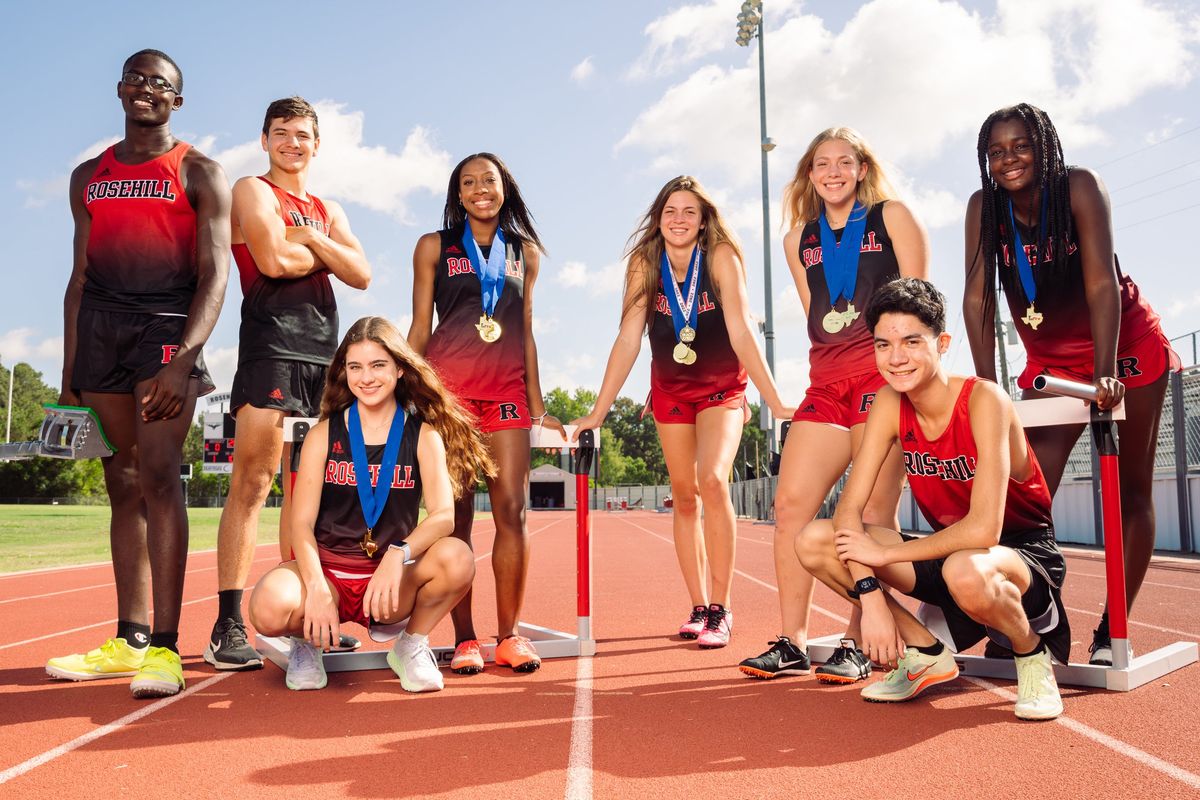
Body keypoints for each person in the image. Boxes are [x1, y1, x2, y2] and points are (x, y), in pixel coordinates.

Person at [964, 103, 1179, 665]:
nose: (1008, 159)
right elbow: (977, 298)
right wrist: (987, 389)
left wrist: (1106, 370)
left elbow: (1102, 284)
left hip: (1123, 345)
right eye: (996, 151)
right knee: (1024, 497)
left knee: (1130, 488)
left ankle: (1114, 629)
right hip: (1051, 360)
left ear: (1044, 146)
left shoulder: (1079, 186)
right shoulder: (985, 207)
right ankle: (1026, 618)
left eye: (1020, 146)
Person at [797, 278, 1068, 721]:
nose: (896, 357)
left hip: (1019, 555)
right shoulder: (889, 401)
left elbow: (984, 530)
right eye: (883, 345)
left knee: (965, 568)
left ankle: (1031, 653)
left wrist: (884, 552)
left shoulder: (984, 400)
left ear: (942, 343)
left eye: (911, 342)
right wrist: (870, 598)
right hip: (948, 550)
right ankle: (925, 652)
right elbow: (849, 507)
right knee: (814, 539)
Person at [45, 49, 230, 698]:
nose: (146, 89)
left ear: (177, 101)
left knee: (157, 477)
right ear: (119, 88)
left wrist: (184, 359)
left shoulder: (201, 171)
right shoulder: (85, 177)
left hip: (164, 328)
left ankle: (166, 649)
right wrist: (69, 374)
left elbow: (216, 274)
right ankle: (128, 638)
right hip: (99, 332)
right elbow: (78, 278)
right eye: (137, 78)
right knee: (119, 482)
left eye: (162, 83)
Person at [738, 127, 929, 682]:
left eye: (845, 162)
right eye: (823, 164)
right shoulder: (798, 237)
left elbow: (920, 302)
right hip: (825, 384)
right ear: (810, 174)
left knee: (871, 515)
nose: (834, 172)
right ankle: (793, 641)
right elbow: (815, 312)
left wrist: (907, 380)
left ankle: (855, 641)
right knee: (790, 509)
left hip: (882, 379)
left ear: (862, 169)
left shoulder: (892, 216)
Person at [571, 175, 793, 649]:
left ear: (704, 218)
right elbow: (629, 338)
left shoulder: (720, 258)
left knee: (713, 479)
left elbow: (741, 330)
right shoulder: (644, 265)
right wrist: (597, 411)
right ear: (658, 218)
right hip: (671, 391)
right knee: (684, 494)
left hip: (721, 389)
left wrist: (773, 402)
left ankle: (721, 607)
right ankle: (697, 606)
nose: (679, 219)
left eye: (689, 211)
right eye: (670, 211)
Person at [205, 97, 370, 671]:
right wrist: (326, 250)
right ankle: (227, 622)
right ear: (265, 139)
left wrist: (315, 240)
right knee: (253, 480)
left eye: (302, 134)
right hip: (272, 347)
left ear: (317, 144)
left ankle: (305, 619)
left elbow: (363, 273)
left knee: (310, 492)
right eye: (281, 133)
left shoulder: (327, 206)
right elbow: (272, 260)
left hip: (327, 357)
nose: (292, 143)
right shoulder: (252, 190)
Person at [247, 316, 493, 692]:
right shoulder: (324, 434)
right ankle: (306, 643)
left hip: (387, 583)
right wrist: (315, 587)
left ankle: (410, 645)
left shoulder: (423, 436)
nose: (367, 377)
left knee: (458, 558)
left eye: (378, 365)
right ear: (343, 372)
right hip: (328, 572)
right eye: (355, 366)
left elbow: (443, 516)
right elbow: (301, 523)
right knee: (266, 606)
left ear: (399, 368)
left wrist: (399, 554)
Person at [408, 153, 564, 675]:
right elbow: (419, 327)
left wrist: (539, 410)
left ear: (504, 189)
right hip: (448, 399)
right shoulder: (434, 246)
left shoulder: (526, 254)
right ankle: (466, 639)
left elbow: (526, 330)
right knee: (453, 521)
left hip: (507, 396)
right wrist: (404, 389)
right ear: (457, 195)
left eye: (489, 181)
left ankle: (510, 636)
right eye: (469, 182)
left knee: (512, 513)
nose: (480, 190)